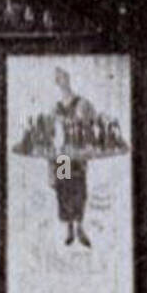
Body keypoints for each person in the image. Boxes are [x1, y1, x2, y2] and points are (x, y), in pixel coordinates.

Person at [51, 68, 95, 247]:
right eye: (58, 80)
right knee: (64, 189)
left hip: (77, 152)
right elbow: (52, 133)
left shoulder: (81, 102)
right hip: (63, 155)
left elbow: (90, 123)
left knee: (79, 188)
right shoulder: (56, 107)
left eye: (63, 79)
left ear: (68, 80)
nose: (61, 83)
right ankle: (69, 228)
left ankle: (80, 226)